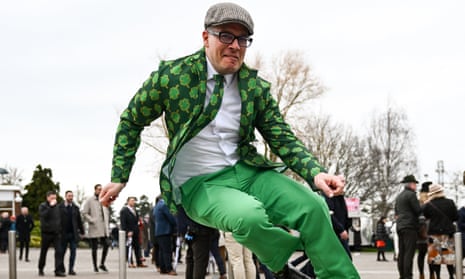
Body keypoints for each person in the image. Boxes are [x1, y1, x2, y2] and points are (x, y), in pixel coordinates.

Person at [99, 3, 359, 278]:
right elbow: (131, 120)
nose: (235, 45)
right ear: (205, 37)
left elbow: (282, 136)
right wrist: (120, 175)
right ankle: (285, 265)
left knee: (313, 205)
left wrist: (315, 173)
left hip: (247, 171)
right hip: (200, 183)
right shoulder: (172, 78)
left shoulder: (254, 88)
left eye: (242, 39)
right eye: (226, 36)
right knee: (249, 216)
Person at [423, 184, 458, 279]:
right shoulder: (450, 202)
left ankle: (438, 276)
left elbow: (425, 216)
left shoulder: (429, 204)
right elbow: (456, 217)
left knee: (435, 258)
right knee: (448, 257)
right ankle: (451, 276)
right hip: (448, 234)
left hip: (434, 234)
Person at [394, 175, 422, 279]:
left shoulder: (399, 196)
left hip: (400, 226)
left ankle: (402, 275)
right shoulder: (411, 195)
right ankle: (407, 276)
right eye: (415, 184)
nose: (416, 186)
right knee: (409, 253)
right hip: (410, 226)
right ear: (411, 184)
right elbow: (418, 210)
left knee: (402, 252)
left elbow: (396, 212)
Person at [81, 184, 110, 272]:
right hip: (94, 227)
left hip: (104, 228)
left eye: (101, 189)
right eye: (98, 189)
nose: (100, 191)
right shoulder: (90, 200)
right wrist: (92, 220)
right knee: (94, 248)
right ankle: (95, 266)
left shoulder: (104, 200)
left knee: (106, 244)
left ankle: (102, 263)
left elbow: (106, 212)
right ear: (95, 190)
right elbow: (84, 212)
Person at [38, 191, 66, 277]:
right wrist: (50, 206)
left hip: (56, 233)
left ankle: (58, 270)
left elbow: (60, 218)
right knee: (44, 252)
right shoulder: (43, 206)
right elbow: (43, 215)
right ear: (48, 198)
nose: (54, 200)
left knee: (59, 251)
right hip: (46, 233)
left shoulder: (58, 207)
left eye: (55, 198)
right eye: (52, 198)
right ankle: (41, 268)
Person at [58, 190, 84, 275]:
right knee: (62, 252)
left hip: (73, 234)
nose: (71, 197)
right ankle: (61, 268)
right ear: (65, 196)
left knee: (73, 253)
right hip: (63, 233)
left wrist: (82, 231)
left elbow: (79, 220)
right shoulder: (60, 207)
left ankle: (71, 269)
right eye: (69, 196)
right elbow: (57, 220)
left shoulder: (75, 208)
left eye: (72, 196)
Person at [120, 196, 148, 268]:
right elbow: (123, 223)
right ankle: (130, 262)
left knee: (137, 247)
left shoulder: (135, 210)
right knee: (129, 248)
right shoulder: (124, 210)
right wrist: (127, 232)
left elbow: (137, 221)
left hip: (136, 231)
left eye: (134, 201)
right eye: (132, 200)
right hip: (129, 231)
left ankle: (139, 262)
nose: (133, 202)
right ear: (128, 201)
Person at [153, 196, 177, 275]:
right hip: (165, 230)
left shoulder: (157, 205)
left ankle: (163, 268)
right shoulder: (164, 204)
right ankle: (169, 268)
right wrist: (176, 224)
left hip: (159, 231)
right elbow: (171, 217)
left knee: (161, 251)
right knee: (167, 251)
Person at [417, 182, 432, 279]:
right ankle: (432, 274)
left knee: (421, 254)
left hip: (419, 231)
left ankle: (421, 274)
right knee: (431, 255)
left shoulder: (418, 201)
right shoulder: (430, 201)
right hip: (430, 230)